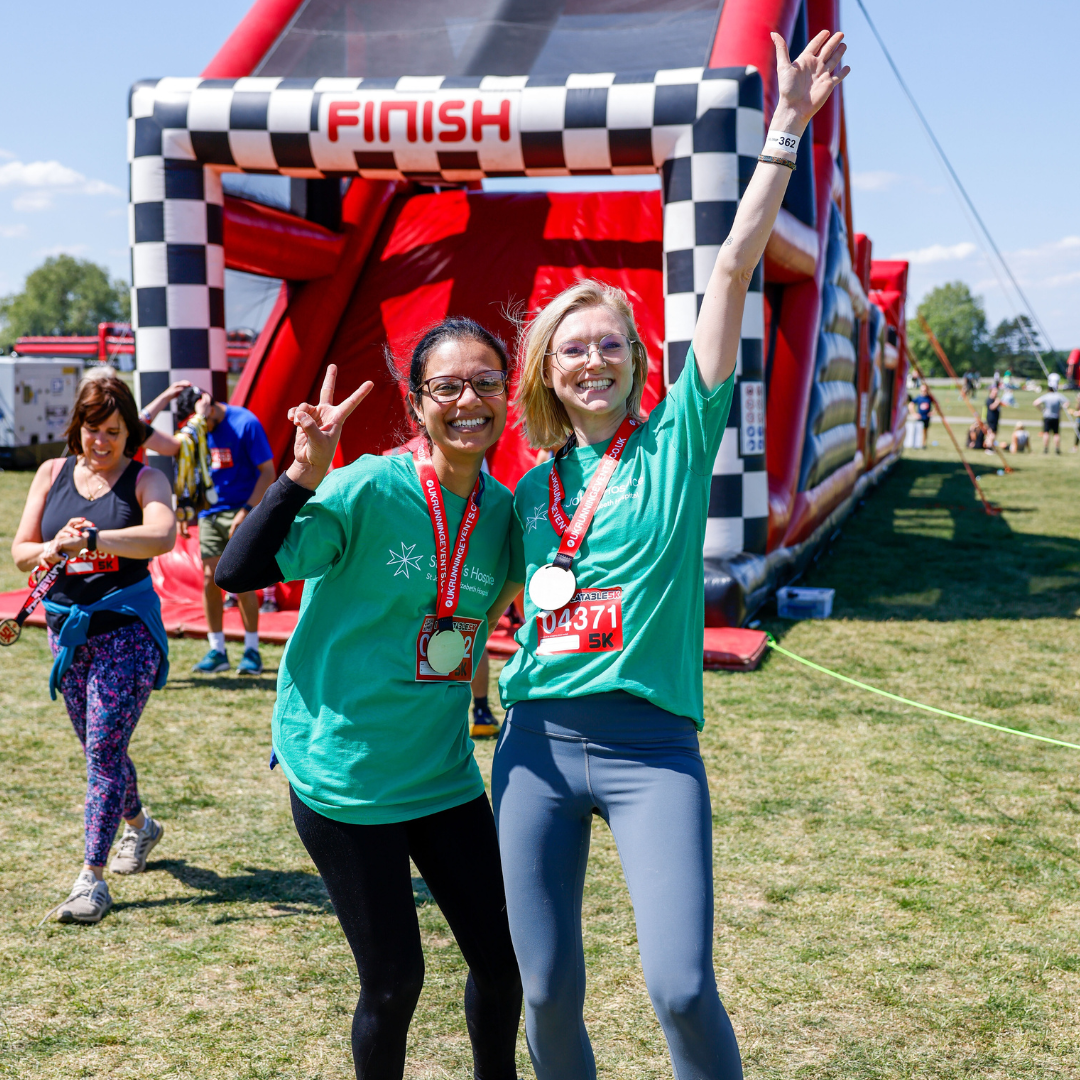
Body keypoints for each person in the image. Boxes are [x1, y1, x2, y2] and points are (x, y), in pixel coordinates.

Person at [490, 30, 848, 1080]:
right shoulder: (525, 491)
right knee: (546, 990)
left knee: (681, 987)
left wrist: (783, 127)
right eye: (573, 347)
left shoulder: (679, 441)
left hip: (652, 750)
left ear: (637, 360)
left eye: (609, 344)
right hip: (536, 747)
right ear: (548, 372)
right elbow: (468, 603)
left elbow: (732, 264)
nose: (592, 359)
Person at [215, 326, 524, 1080]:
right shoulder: (365, 485)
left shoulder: (505, 513)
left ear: (506, 396)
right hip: (345, 778)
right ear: (417, 403)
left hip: (443, 775)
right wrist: (299, 474)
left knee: (504, 971)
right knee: (393, 983)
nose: (467, 401)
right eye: (445, 387)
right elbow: (237, 570)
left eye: (485, 382)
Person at [11, 376, 175, 924]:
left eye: (112, 431)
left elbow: (162, 535)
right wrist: (54, 546)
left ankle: (91, 881)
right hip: (67, 633)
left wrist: (95, 540)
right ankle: (141, 827)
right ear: (76, 427)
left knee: (103, 752)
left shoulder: (145, 478)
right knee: (99, 751)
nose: (100, 441)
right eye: (91, 429)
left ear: (130, 431)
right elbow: (20, 553)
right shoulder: (51, 472)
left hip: (126, 631)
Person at [164, 388, 276, 675]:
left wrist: (247, 511)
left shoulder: (245, 423)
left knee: (243, 580)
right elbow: (188, 469)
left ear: (210, 407)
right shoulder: (197, 428)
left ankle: (252, 651)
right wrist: (184, 510)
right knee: (208, 579)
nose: (205, 428)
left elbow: (268, 471)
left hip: (242, 510)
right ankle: (217, 650)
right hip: (208, 513)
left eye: (205, 421)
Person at [1033, 373, 1068, 454]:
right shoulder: (1059, 396)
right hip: (1056, 416)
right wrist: (1060, 409)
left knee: (1046, 433)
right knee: (1056, 434)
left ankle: (1046, 449)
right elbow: (1067, 402)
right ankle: (1057, 449)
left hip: (1047, 416)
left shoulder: (1047, 396)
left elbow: (1035, 403)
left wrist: (1042, 409)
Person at [984, 385, 1003, 449]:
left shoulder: (995, 399)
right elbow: (991, 407)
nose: (996, 392)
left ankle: (988, 444)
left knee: (992, 433)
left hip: (995, 419)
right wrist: (997, 402)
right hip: (991, 419)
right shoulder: (990, 399)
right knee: (992, 433)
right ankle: (989, 447)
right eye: (995, 391)